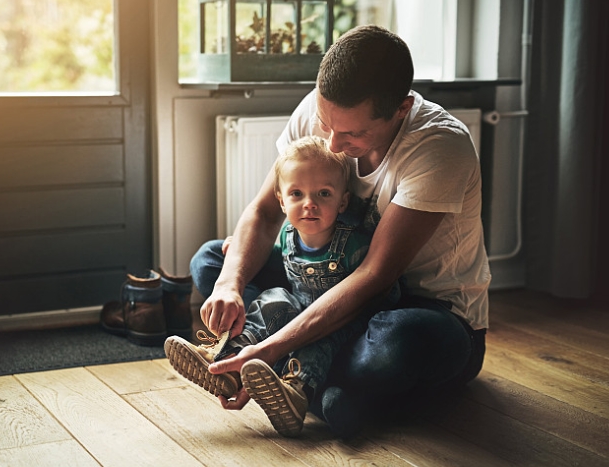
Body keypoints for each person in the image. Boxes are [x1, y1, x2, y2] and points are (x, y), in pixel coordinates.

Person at [185, 24, 491, 438]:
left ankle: (286, 369)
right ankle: (320, 386)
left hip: (421, 311)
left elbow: (374, 277)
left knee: (394, 345)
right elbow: (264, 211)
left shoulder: (440, 146)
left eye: (352, 133)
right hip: (320, 281)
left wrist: (275, 346)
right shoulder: (320, 108)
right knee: (211, 261)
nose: (331, 141)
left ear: (401, 109)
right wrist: (229, 285)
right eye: (327, 123)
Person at [165, 135, 399, 436]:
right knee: (273, 299)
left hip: (340, 320)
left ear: (343, 201)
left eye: (324, 194)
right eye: (297, 194)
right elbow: (280, 259)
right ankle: (228, 361)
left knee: (320, 341)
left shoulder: (354, 242)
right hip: (297, 307)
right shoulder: (289, 233)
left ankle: (295, 390)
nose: (309, 204)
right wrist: (239, 248)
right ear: (281, 200)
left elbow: (379, 288)